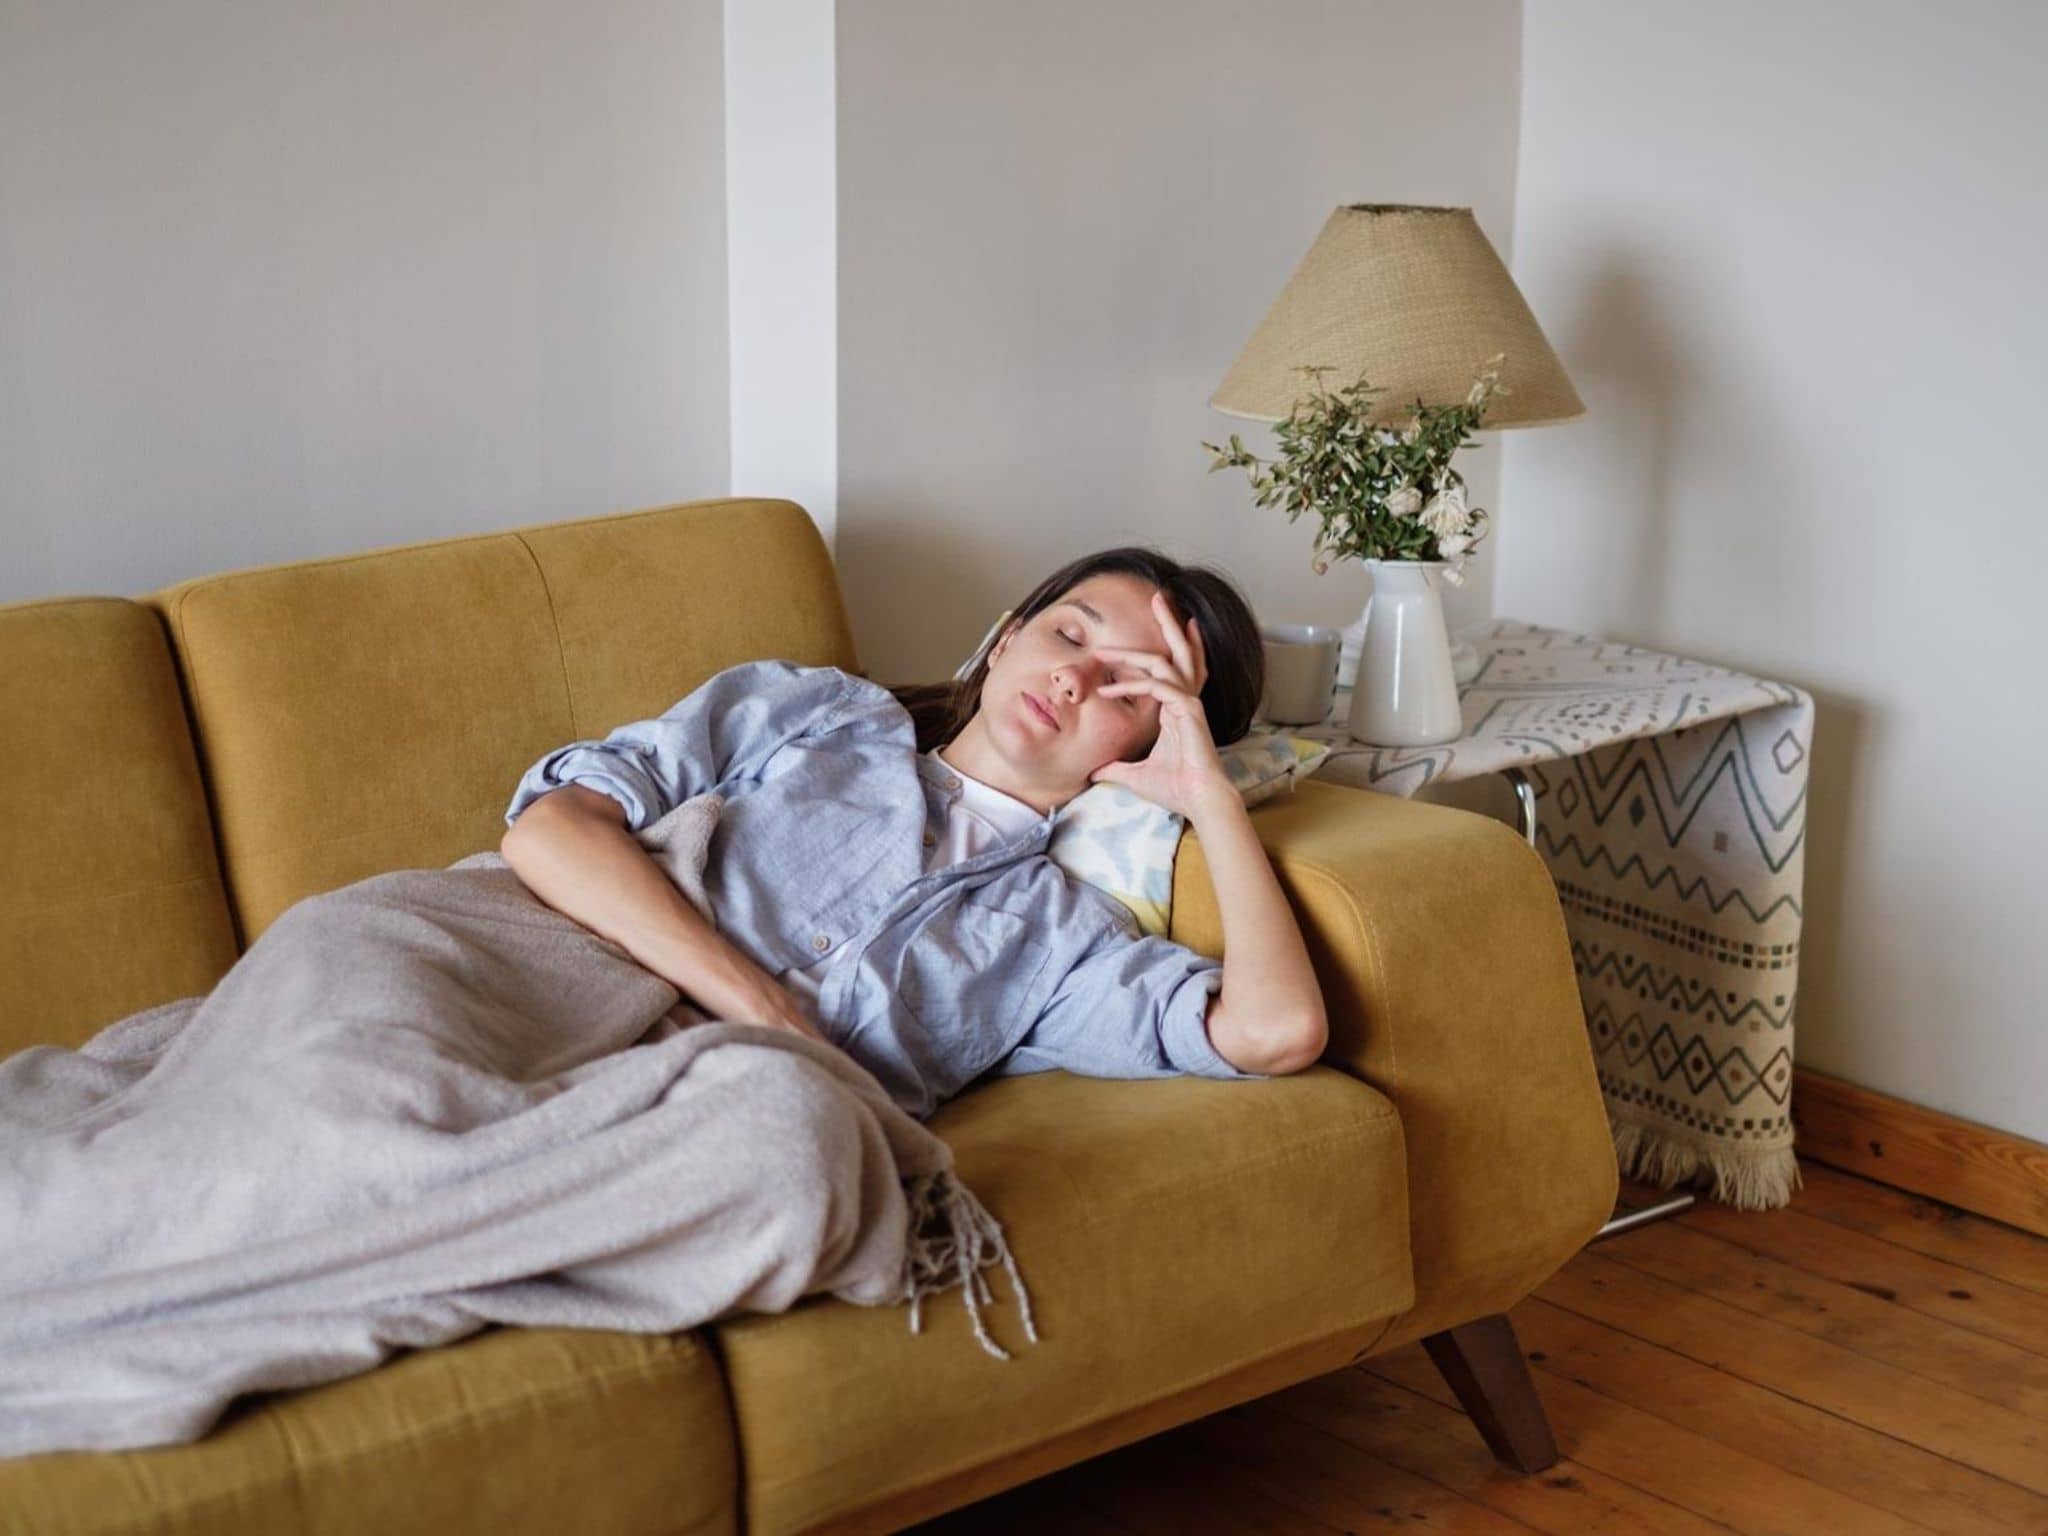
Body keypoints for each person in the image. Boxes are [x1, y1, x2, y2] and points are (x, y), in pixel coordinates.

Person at [499, 547, 1329, 1120]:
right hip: (526, 967)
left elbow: (1276, 1032)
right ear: (1007, 639)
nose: (1073, 678)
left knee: (795, 1159)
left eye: (1126, 686)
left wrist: (1207, 797)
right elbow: (551, 832)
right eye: (1068, 635)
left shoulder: (1059, 937)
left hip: (721, 1111)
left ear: (1157, 740)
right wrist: (765, 1013)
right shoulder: (817, 714)